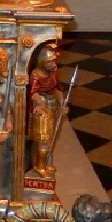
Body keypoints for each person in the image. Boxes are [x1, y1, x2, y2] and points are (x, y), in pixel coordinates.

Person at [28, 45, 66, 179]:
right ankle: (40, 166)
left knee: (49, 138)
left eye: (53, 61)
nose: (53, 64)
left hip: (52, 105)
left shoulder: (53, 73)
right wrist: (39, 104)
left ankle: (44, 163)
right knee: (43, 139)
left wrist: (62, 104)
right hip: (41, 108)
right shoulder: (36, 75)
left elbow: (58, 89)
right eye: (49, 62)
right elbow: (33, 93)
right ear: (42, 62)